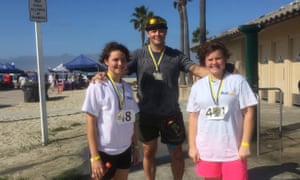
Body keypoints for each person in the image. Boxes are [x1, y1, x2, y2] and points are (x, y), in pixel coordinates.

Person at [92, 16, 236, 180]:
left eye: (161, 30)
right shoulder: (138, 55)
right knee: (148, 152)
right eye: (153, 30)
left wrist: (220, 73)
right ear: (148, 33)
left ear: (165, 32)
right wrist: (103, 73)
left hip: (171, 115)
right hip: (146, 114)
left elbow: (195, 69)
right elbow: (120, 68)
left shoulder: (176, 55)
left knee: (176, 154)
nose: (157, 34)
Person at [187, 41, 257, 180]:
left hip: (234, 151)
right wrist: (192, 147)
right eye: (210, 59)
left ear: (224, 58)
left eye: (218, 58)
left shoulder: (238, 81)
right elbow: (193, 118)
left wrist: (245, 144)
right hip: (207, 151)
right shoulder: (198, 86)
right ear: (204, 62)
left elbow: (249, 112)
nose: (214, 62)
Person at [82, 41, 139, 180]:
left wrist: (136, 147)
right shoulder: (97, 86)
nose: (120, 63)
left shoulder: (127, 88)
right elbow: (90, 122)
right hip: (104, 152)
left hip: (125, 150)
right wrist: (94, 157)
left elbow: (132, 120)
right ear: (106, 61)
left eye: (123, 60)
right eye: (115, 60)